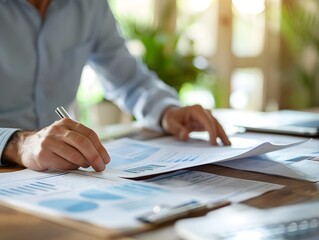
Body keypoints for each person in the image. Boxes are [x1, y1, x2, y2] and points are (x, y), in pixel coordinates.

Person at [0, 0, 230, 172]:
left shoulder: (90, 6)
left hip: (52, 172)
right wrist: (18, 144)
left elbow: (128, 78)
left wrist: (166, 111)